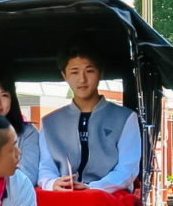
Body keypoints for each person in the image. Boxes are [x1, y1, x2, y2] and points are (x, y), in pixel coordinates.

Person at [38, 46, 140, 193]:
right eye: (74, 72)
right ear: (64, 75)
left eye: (89, 71)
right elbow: (45, 166)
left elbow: (127, 168)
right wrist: (51, 183)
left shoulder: (125, 118)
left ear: (100, 73)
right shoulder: (50, 122)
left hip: (108, 195)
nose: (82, 79)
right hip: (63, 194)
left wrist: (94, 187)